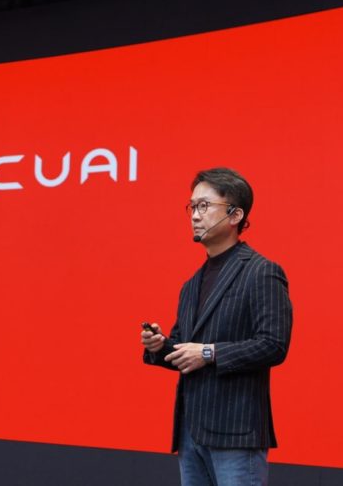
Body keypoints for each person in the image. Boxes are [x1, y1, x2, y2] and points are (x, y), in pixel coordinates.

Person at [141, 167, 292, 486]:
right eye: (192, 206)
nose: (195, 215)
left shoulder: (261, 272)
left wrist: (208, 353)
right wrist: (160, 346)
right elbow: (185, 348)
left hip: (235, 432)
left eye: (205, 206)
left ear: (236, 215)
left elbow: (273, 344)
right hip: (190, 432)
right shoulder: (191, 285)